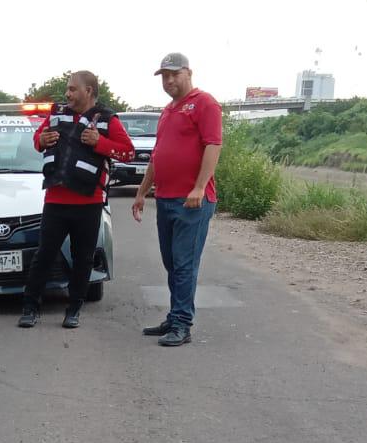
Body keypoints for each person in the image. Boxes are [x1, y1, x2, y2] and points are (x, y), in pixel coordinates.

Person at [19, 71, 134, 330]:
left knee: (82, 258)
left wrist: (100, 142)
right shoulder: (57, 113)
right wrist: (42, 139)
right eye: (67, 89)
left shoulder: (107, 119)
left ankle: (73, 310)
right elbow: (37, 140)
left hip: (89, 201)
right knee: (44, 255)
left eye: (72, 89)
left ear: (89, 91)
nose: (67, 94)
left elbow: (127, 152)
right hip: (56, 199)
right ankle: (29, 307)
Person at [130, 53, 223, 346]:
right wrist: (142, 191)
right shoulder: (168, 111)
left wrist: (199, 187)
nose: (169, 81)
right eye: (164, 76)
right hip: (166, 198)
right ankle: (175, 315)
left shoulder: (204, 103)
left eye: (174, 74)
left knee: (184, 263)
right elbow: (158, 156)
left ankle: (182, 324)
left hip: (192, 201)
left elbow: (213, 145)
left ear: (188, 73)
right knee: (172, 263)